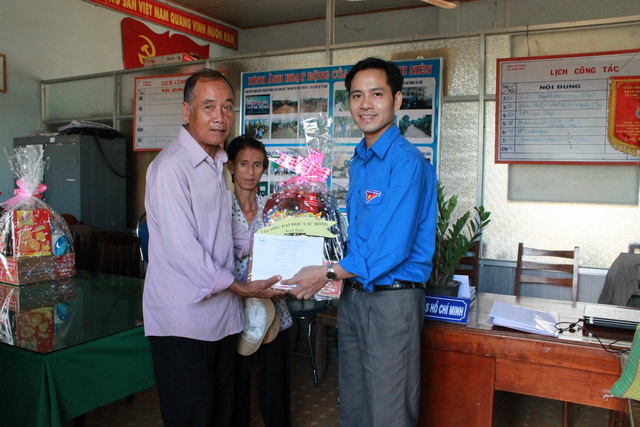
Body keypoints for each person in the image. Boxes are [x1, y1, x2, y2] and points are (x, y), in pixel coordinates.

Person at [281, 57, 437, 427]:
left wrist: (326, 273)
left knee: (388, 411)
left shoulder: (406, 162)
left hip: (392, 302)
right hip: (355, 296)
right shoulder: (360, 159)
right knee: (353, 404)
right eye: (356, 95)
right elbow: (358, 237)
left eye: (376, 94)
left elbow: (391, 247)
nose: (365, 104)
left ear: (397, 100)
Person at [143, 68, 283, 427]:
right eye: (208, 107)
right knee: (193, 416)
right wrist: (241, 287)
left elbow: (227, 237)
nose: (220, 117)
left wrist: (287, 247)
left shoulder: (219, 165)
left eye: (227, 107)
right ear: (186, 110)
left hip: (223, 319)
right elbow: (182, 250)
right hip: (183, 323)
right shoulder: (171, 168)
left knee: (224, 414)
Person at [226, 135, 293, 427]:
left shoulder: (272, 209)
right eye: (244, 164)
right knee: (234, 386)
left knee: (274, 386)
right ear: (231, 166)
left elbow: (288, 253)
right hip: (232, 309)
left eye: (257, 165)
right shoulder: (219, 209)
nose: (250, 171)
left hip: (273, 308)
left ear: (265, 169)